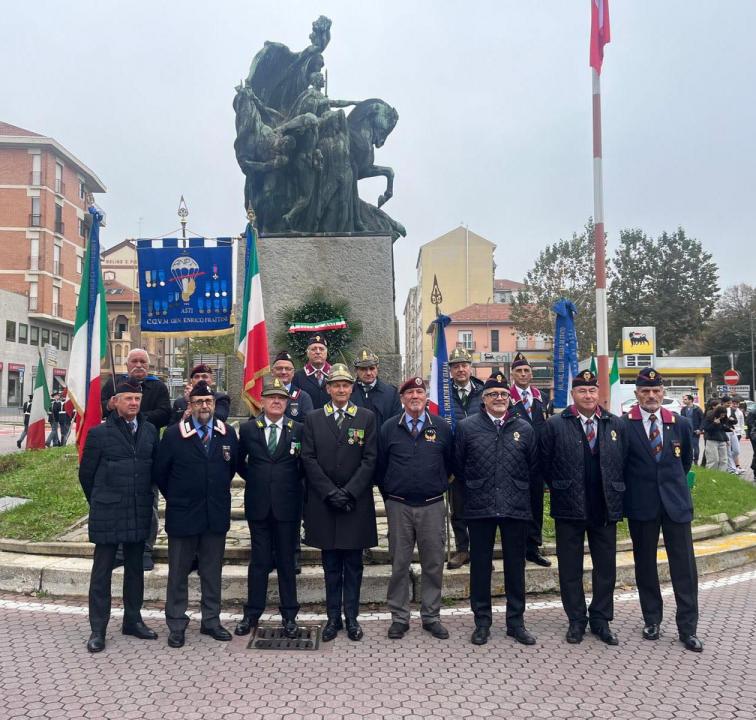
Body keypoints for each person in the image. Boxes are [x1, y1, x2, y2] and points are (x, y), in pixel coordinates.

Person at [540, 370, 625, 646]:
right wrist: (560, 485)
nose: (587, 396)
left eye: (591, 391)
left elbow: (624, 461)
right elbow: (544, 461)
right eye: (582, 391)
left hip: (604, 505)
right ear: (573, 395)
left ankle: (600, 619)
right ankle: (576, 620)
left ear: (597, 393)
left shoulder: (615, 424)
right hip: (569, 506)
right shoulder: (555, 424)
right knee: (570, 568)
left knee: (606, 568)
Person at [454, 371, 537, 647]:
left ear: (510, 398)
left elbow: (533, 467)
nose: (499, 398)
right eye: (493, 394)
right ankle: (482, 622)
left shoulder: (524, 428)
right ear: (484, 399)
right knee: (480, 567)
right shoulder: (467, 427)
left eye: (503, 394)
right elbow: (458, 465)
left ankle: (516, 622)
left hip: (515, 506)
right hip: (480, 506)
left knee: (515, 566)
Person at [154, 382, 239, 648]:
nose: (204, 406)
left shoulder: (226, 434)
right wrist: (179, 497)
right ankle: (177, 623)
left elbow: (231, 468)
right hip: (183, 515)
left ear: (214, 403)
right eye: (199, 401)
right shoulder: (174, 434)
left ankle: (211, 621)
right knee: (178, 572)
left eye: (208, 401)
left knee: (211, 571)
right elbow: (160, 473)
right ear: (189, 405)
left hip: (214, 514)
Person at [622, 368, 701, 652]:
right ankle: (652, 619)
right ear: (637, 395)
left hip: (676, 505)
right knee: (645, 565)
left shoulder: (679, 423)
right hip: (642, 505)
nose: (651, 396)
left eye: (656, 391)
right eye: (645, 391)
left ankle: (688, 627)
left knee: (685, 569)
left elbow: (685, 463)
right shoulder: (624, 425)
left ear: (663, 392)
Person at [78, 382, 159, 653]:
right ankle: (98, 629)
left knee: (135, 570)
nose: (134, 403)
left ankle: (133, 620)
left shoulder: (149, 431)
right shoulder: (99, 434)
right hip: (108, 512)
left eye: (137, 398)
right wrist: (101, 502)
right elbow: (86, 475)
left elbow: (153, 470)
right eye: (128, 398)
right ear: (115, 402)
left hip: (138, 510)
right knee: (102, 572)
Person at [301, 363, 377, 642]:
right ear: (328, 388)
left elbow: (370, 459)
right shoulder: (313, 418)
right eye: (336, 385)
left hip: (354, 504)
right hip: (324, 504)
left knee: (354, 565)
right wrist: (330, 492)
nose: (341, 389)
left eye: (346, 385)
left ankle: (352, 618)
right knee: (330, 565)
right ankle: (333, 618)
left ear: (352, 388)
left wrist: (349, 492)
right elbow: (307, 458)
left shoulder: (366, 417)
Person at [377, 376, 453, 641]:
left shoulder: (441, 427)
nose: (415, 397)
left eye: (420, 392)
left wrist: (436, 485)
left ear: (425, 397)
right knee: (399, 564)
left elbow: (451, 465)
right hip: (399, 506)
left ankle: (431, 616)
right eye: (410, 393)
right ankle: (399, 617)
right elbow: (380, 468)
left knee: (433, 564)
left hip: (432, 506)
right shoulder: (388, 428)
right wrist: (392, 495)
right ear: (402, 399)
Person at [235, 376, 304, 638]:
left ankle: (289, 616)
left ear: (287, 403)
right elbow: (240, 463)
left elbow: (302, 466)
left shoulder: (297, 429)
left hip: (288, 505)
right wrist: (257, 479)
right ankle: (252, 613)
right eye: (272, 397)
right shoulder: (249, 429)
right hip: (259, 505)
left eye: (281, 398)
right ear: (262, 401)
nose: (276, 401)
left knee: (287, 562)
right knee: (259, 562)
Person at [101, 348, 172, 570]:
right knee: (121, 502)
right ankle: (122, 549)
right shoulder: (112, 383)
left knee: (148, 502)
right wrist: (110, 405)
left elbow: (164, 413)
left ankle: (145, 549)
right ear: (126, 363)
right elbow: (100, 407)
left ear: (148, 366)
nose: (138, 365)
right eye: (134, 361)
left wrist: (136, 416)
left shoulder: (157, 386)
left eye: (143, 361)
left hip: (148, 454)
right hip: (117, 454)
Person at [508, 352, 551, 568]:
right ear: (512, 374)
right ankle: (517, 549)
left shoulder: (542, 397)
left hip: (538, 462)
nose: (523, 374)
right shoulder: (505, 397)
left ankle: (533, 548)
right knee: (516, 507)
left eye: (526, 371)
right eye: (519, 371)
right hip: (514, 461)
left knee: (535, 506)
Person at [446, 346, 485, 570]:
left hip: (482, 458)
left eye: (464, 365)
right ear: (450, 370)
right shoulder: (441, 393)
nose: (461, 369)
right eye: (456, 366)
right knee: (458, 509)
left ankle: (481, 552)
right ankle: (462, 550)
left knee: (481, 511)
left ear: (470, 367)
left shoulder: (483, 391)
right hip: (455, 460)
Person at [350, 348, 402, 429]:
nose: (368, 373)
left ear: (377, 368)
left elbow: (397, 425)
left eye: (372, 368)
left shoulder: (391, 394)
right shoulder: (348, 394)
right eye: (363, 369)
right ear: (356, 370)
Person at [271, 350, 314, 419]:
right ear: (272, 372)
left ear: (293, 373)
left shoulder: (303, 397)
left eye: (288, 369)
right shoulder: (262, 395)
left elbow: (308, 424)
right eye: (279, 368)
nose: (283, 372)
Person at [292, 334, 332, 409]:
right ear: (307, 353)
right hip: (307, 419)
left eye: (321, 349)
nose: (318, 352)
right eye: (313, 349)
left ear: (326, 353)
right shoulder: (297, 377)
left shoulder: (335, 373)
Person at [702, 399, 729, 472]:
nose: (723, 416)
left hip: (722, 440)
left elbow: (722, 430)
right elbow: (706, 428)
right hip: (711, 440)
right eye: (722, 414)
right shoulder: (709, 416)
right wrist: (714, 424)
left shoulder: (723, 419)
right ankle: (711, 476)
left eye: (724, 414)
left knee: (724, 460)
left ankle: (722, 476)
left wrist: (726, 439)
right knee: (713, 460)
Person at [680, 395, 704, 464]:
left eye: (685, 399)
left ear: (690, 400)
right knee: (686, 446)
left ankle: (696, 460)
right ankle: (688, 460)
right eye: (683, 399)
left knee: (695, 446)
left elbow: (702, 420)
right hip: (686, 431)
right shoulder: (683, 409)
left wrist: (700, 429)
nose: (683, 401)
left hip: (695, 431)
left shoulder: (697, 409)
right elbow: (681, 420)